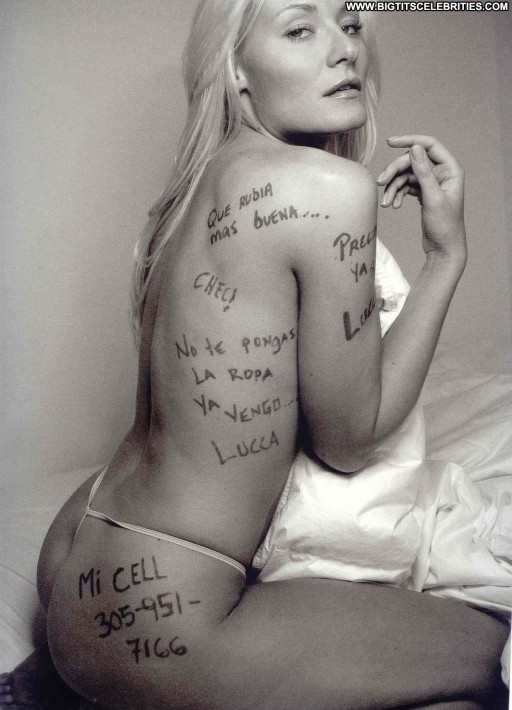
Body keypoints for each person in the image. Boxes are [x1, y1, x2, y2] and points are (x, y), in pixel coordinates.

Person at [1, 0, 509, 708]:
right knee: (492, 645)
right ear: (237, 71)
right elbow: (349, 440)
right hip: (159, 609)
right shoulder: (326, 187)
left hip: (78, 553)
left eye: (351, 25)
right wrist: (446, 257)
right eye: (300, 29)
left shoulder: (184, 195)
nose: (345, 49)